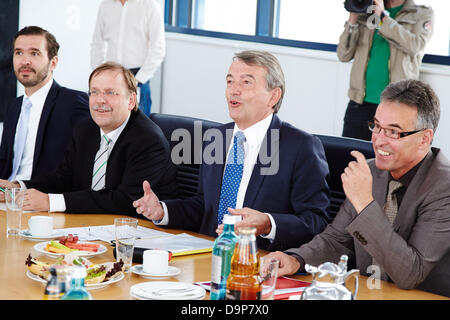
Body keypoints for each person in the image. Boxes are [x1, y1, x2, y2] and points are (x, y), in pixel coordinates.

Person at [265, 80, 450, 297]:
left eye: (392, 132)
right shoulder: (370, 170)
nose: (378, 140)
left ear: (424, 138)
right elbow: (336, 241)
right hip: (366, 292)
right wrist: (295, 259)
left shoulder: (443, 187)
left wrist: (364, 203)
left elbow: (410, 273)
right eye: (377, 126)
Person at [133, 50, 331, 251]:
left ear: (274, 96)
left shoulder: (300, 146)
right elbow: (204, 206)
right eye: (230, 82)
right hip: (206, 255)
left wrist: (268, 224)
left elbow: (315, 222)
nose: (234, 90)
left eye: (246, 82)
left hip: (257, 262)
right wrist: (162, 211)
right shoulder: (216, 137)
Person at [0, 62, 178, 216]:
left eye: (110, 93)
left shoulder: (148, 140)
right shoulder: (85, 129)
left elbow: (123, 200)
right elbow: (63, 178)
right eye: (94, 92)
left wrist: (50, 202)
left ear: (131, 101)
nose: (100, 100)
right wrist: (19, 187)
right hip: (91, 226)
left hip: (140, 232)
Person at [0, 26, 90, 181]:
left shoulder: (73, 103)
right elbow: (5, 162)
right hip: (7, 196)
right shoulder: (14, 107)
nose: (25, 61)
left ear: (53, 63)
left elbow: (81, 167)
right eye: (19, 52)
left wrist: (22, 187)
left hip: (41, 198)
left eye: (34, 53)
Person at [338, 0, 434, 141]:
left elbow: (415, 45)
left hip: (397, 105)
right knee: (351, 157)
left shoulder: (421, 13)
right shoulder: (366, 10)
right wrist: (353, 17)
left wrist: (383, 17)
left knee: (388, 159)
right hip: (359, 103)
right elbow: (343, 55)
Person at [90, 0, 165, 116]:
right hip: (110, 76)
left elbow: (158, 49)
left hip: (138, 78)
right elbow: (97, 43)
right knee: (108, 122)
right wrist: (99, 74)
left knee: (139, 128)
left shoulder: (150, 6)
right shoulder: (106, 5)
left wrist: (138, 80)